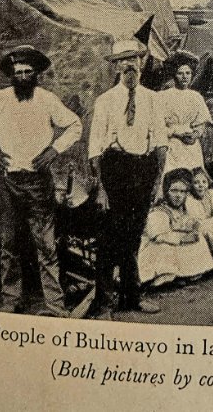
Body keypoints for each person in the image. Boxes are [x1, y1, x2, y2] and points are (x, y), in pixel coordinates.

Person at [0, 45, 82, 316]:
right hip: (7, 180)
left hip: (38, 181)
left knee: (46, 245)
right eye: (17, 72)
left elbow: (75, 125)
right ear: (11, 75)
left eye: (28, 72)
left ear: (37, 74)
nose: (22, 76)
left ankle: (54, 306)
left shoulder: (47, 99)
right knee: (9, 244)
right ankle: (11, 300)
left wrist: (54, 150)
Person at [88, 26, 168, 319]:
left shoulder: (152, 99)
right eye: (123, 60)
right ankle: (103, 303)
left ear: (141, 62)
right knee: (110, 237)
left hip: (142, 170)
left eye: (134, 59)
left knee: (133, 236)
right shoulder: (105, 101)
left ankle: (131, 298)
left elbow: (160, 142)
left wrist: (158, 183)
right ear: (116, 65)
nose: (129, 65)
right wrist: (101, 188)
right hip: (115, 169)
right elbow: (96, 146)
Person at [138, 169, 213, 288]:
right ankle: (159, 277)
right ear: (166, 191)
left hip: (175, 242)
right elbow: (159, 236)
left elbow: (188, 223)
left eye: (182, 192)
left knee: (198, 242)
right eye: (174, 191)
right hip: (156, 246)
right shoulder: (160, 211)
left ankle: (184, 274)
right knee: (165, 249)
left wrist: (193, 228)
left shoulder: (182, 210)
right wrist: (183, 238)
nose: (178, 195)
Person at [159, 51, 212, 173]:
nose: (184, 77)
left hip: (191, 144)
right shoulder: (163, 96)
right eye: (180, 73)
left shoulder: (196, 96)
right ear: (174, 75)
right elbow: (157, 126)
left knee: (193, 175)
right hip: (171, 143)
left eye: (188, 73)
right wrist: (176, 134)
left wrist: (195, 134)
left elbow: (201, 123)